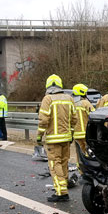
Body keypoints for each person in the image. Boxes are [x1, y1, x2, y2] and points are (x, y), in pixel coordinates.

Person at [37, 74, 76, 202]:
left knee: (55, 164)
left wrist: (39, 136)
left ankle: (61, 192)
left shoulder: (47, 99)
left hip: (53, 139)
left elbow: (43, 120)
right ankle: (63, 187)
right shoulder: (69, 98)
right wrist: (70, 133)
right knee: (64, 163)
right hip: (66, 138)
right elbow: (74, 119)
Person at [71, 83, 95, 155]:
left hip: (76, 134)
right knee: (88, 151)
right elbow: (93, 115)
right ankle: (88, 165)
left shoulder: (72, 104)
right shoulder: (86, 103)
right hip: (86, 133)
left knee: (80, 152)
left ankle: (79, 165)